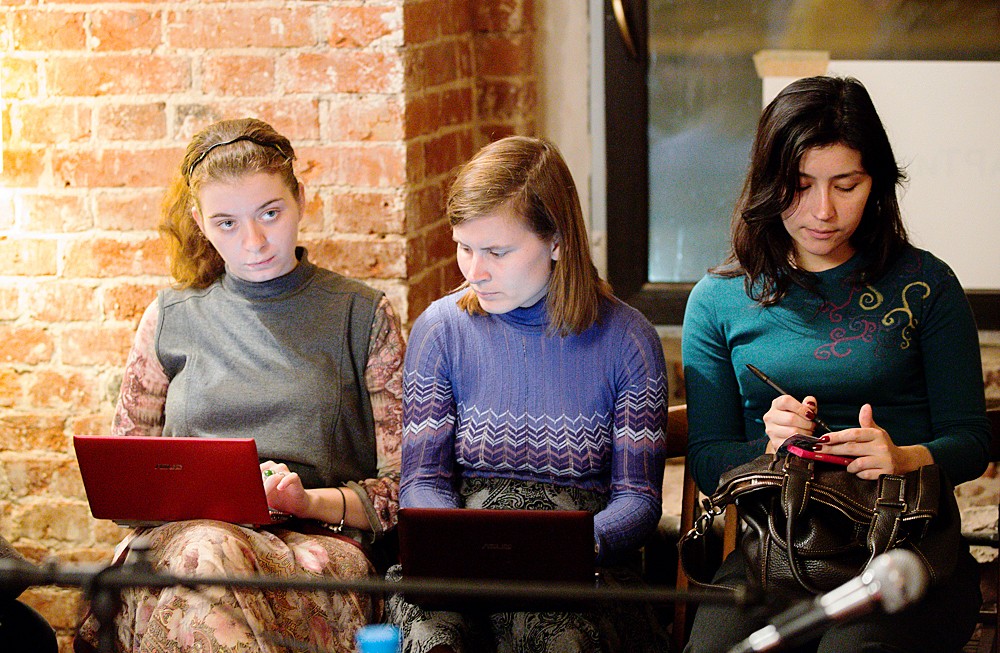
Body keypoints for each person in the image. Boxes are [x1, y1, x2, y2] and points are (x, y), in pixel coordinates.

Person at [681, 75, 992, 653]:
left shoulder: (927, 285)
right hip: (777, 553)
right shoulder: (718, 300)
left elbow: (973, 441)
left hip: (904, 552)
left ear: (876, 184)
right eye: (800, 186)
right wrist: (768, 448)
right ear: (768, 183)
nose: (823, 211)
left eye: (846, 185)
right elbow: (705, 459)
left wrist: (905, 457)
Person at [74, 118, 405, 653]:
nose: (253, 242)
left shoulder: (361, 315)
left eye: (270, 213)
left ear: (301, 199)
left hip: (313, 547)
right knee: (205, 550)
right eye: (226, 223)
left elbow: (401, 489)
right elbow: (124, 486)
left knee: (204, 561)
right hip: (183, 542)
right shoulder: (169, 317)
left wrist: (305, 502)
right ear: (200, 223)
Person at [387, 136, 670, 652]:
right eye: (465, 247)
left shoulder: (627, 340)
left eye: (497, 251)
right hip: (465, 560)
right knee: (432, 636)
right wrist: (459, 544)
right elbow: (422, 481)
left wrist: (575, 545)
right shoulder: (440, 331)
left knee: (559, 636)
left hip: (581, 566)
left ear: (557, 241)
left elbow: (639, 499)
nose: (475, 271)